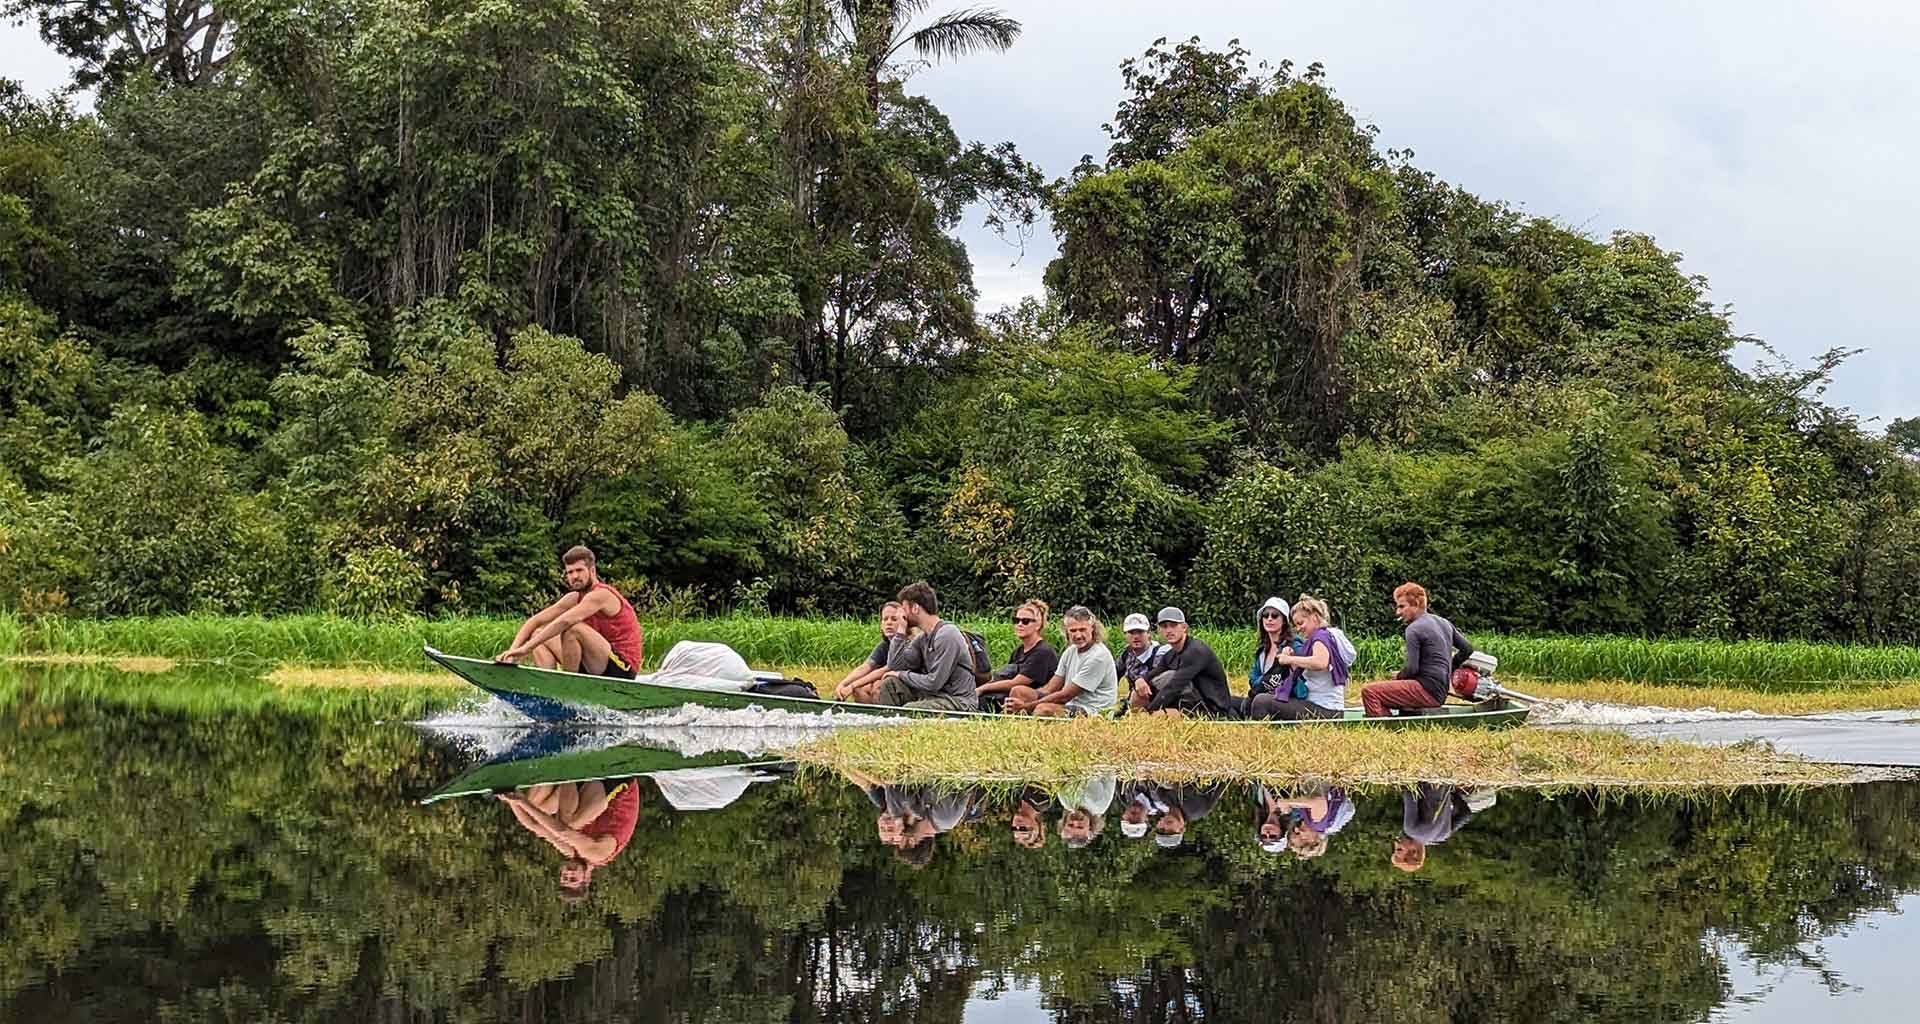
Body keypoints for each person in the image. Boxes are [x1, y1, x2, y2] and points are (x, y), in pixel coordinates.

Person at [495, 546, 644, 677]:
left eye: (579, 570)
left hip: (621, 667)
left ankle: (568, 685)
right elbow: (535, 621)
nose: (574, 576)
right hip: (593, 663)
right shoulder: (574, 598)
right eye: (570, 572)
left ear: (592, 570)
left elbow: (565, 621)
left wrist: (526, 648)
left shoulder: (601, 594)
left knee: (573, 629)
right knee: (538, 634)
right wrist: (513, 652)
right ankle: (549, 686)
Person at [497, 778, 641, 900]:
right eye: (573, 878)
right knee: (566, 825)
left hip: (588, 791)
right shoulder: (597, 855)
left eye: (564, 877)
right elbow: (563, 831)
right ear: (586, 878)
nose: (568, 873)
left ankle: (547, 768)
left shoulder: (573, 853)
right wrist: (522, 802)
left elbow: (533, 826)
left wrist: (510, 799)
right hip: (618, 786)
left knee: (536, 806)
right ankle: (565, 772)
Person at [862, 580, 979, 712]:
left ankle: (898, 723)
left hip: (958, 701)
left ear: (915, 608)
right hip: (933, 696)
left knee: (910, 709)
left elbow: (934, 682)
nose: (901, 615)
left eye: (904, 609)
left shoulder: (947, 635)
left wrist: (901, 675)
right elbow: (894, 665)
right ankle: (887, 725)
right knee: (891, 684)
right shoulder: (923, 638)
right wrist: (900, 631)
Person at [1362, 582, 1475, 718]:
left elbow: (1412, 669)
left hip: (1426, 690)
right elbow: (1467, 649)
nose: (1398, 612)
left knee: (1370, 692)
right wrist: (1450, 668)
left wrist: (1399, 676)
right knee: (1388, 690)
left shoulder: (1413, 629)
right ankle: (1397, 722)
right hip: (1440, 692)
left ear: (1415, 604)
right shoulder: (1444, 622)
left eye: (1402, 606)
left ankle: (1385, 728)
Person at [1251, 595, 1351, 721]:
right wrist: (1293, 661)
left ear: (1314, 618)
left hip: (1327, 710)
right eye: (1296, 625)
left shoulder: (1321, 637)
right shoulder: (1320, 637)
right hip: (1321, 706)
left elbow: (1320, 662)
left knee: (1261, 701)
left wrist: (1289, 660)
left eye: (1300, 623)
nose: (1298, 629)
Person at [1006, 605, 1117, 717]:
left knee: (1043, 710)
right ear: (1066, 632)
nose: (1078, 635)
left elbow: (1065, 696)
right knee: (1018, 691)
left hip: (1092, 710)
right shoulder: (1070, 651)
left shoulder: (1098, 656)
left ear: (1092, 628)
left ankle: (1024, 716)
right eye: (1073, 631)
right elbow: (1051, 688)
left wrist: (1026, 706)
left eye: (1082, 629)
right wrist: (1028, 696)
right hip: (1070, 703)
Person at [1136, 607, 1234, 717]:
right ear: (1159, 630)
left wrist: (1150, 711)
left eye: (1173, 625)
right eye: (1164, 626)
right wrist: (1141, 679)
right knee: (1140, 690)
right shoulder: (1170, 654)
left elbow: (1174, 687)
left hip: (1212, 709)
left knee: (1168, 679)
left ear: (1184, 627)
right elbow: (1155, 673)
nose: (1169, 630)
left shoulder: (1195, 651)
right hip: (1191, 702)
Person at [976, 600, 1058, 713]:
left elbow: (1016, 682)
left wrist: (981, 688)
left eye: (1025, 621)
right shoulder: (1018, 650)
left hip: (1033, 701)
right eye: (1016, 620)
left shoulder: (1043, 652)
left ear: (1038, 625)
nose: (1019, 624)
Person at [1392, 782, 1492, 872]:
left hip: (1446, 781)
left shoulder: (1442, 837)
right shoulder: (1411, 830)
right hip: (1429, 779)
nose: (1396, 843)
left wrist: (1452, 795)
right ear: (1414, 851)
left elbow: (1466, 813)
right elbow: (1409, 792)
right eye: (1399, 849)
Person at [833, 601, 907, 701]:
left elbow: (887, 669)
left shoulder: (908, 643)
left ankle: (886, 714)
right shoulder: (884, 645)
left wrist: (853, 685)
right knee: (859, 689)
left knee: (877, 686)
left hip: (905, 685)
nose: (889, 622)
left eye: (894, 619)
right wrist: (843, 684)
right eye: (885, 619)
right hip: (886, 680)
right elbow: (866, 666)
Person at [1242, 597, 1297, 717]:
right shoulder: (1262, 650)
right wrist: (1265, 682)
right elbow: (1253, 679)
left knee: (1260, 701)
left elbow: (1302, 681)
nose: (1269, 619)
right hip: (1261, 695)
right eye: (1265, 615)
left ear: (1284, 620)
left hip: (1287, 699)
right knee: (1232, 702)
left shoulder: (1295, 645)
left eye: (1275, 615)